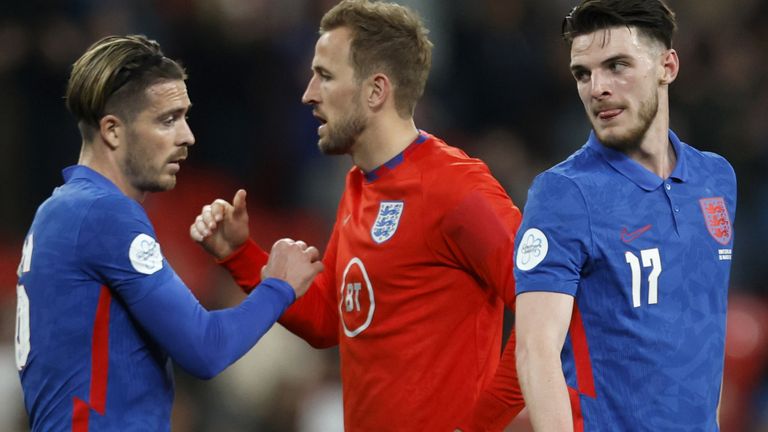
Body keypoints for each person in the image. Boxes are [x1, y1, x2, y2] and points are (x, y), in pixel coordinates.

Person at [189, 0, 526, 430]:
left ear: (376, 90)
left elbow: (548, 309)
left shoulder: (457, 188)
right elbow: (332, 319)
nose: (308, 92)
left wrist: (481, 424)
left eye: (325, 76)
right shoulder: (358, 186)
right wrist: (240, 255)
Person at [14, 34, 323, 431]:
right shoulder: (102, 213)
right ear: (112, 130)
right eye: (167, 120)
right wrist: (278, 286)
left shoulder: (59, 212)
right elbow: (204, 349)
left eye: (185, 117)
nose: (187, 136)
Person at [513, 0, 737, 430]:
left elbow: (705, 334)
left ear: (667, 67)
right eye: (583, 73)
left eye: (617, 65)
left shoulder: (717, 179)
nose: (597, 87)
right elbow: (535, 350)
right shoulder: (564, 194)